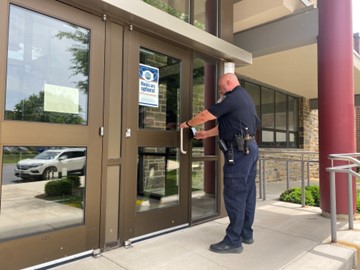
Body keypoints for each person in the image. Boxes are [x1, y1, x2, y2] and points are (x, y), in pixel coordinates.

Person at [180, 73, 260, 254]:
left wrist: (186, 124)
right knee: (247, 192)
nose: (219, 90)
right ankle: (246, 233)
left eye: (220, 87)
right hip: (250, 149)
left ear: (229, 83)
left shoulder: (232, 97)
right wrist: (205, 135)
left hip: (239, 152)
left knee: (234, 193)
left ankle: (233, 241)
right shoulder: (244, 98)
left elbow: (204, 115)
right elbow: (227, 126)